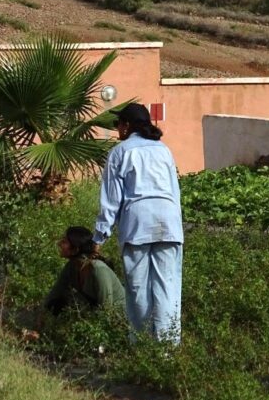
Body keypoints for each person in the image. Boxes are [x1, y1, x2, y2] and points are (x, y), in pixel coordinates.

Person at [94, 103, 183, 344]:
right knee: (168, 289)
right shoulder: (163, 150)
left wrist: (100, 236)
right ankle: (167, 350)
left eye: (118, 124)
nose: (117, 129)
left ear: (127, 126)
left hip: (137, 226)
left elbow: (111, 201)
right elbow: (175, 193)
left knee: (138, 290)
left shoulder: (120, 153)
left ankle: (142, 346)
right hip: (169, 224)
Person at [43, 226, 125, 318]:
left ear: (75, 250)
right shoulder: (71, 267)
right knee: (57, 302)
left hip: (119, 319)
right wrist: (41, 316)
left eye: (64, 242)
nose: (59, 244)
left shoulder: (99, 270)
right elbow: (55, 292)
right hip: (94, 313)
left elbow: (107, 309)